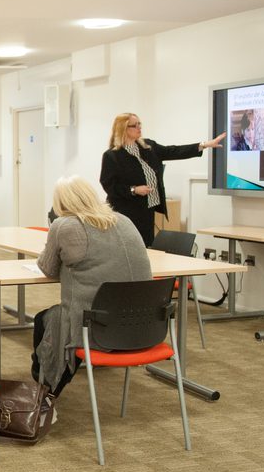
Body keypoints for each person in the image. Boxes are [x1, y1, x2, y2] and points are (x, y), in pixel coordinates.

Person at [31, 176, 152, 397]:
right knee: (61, 316)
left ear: (61, 204)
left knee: (45, 319)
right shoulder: (124, 220)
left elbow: (48, 268)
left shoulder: (65, 225)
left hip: (99, 329)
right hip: (144, 327)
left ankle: (45, 389)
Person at [99, 112, 225, 246]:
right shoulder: (112, 156)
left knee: (147, 246)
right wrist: (134, 189)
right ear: (123, 129)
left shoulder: (148, 146)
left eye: (139, 124)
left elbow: (173, 151)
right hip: (126, 211)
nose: (139, 127)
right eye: (134, 125)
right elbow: (109, 186)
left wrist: (204, 145)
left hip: (147, 208)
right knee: (130, 246)